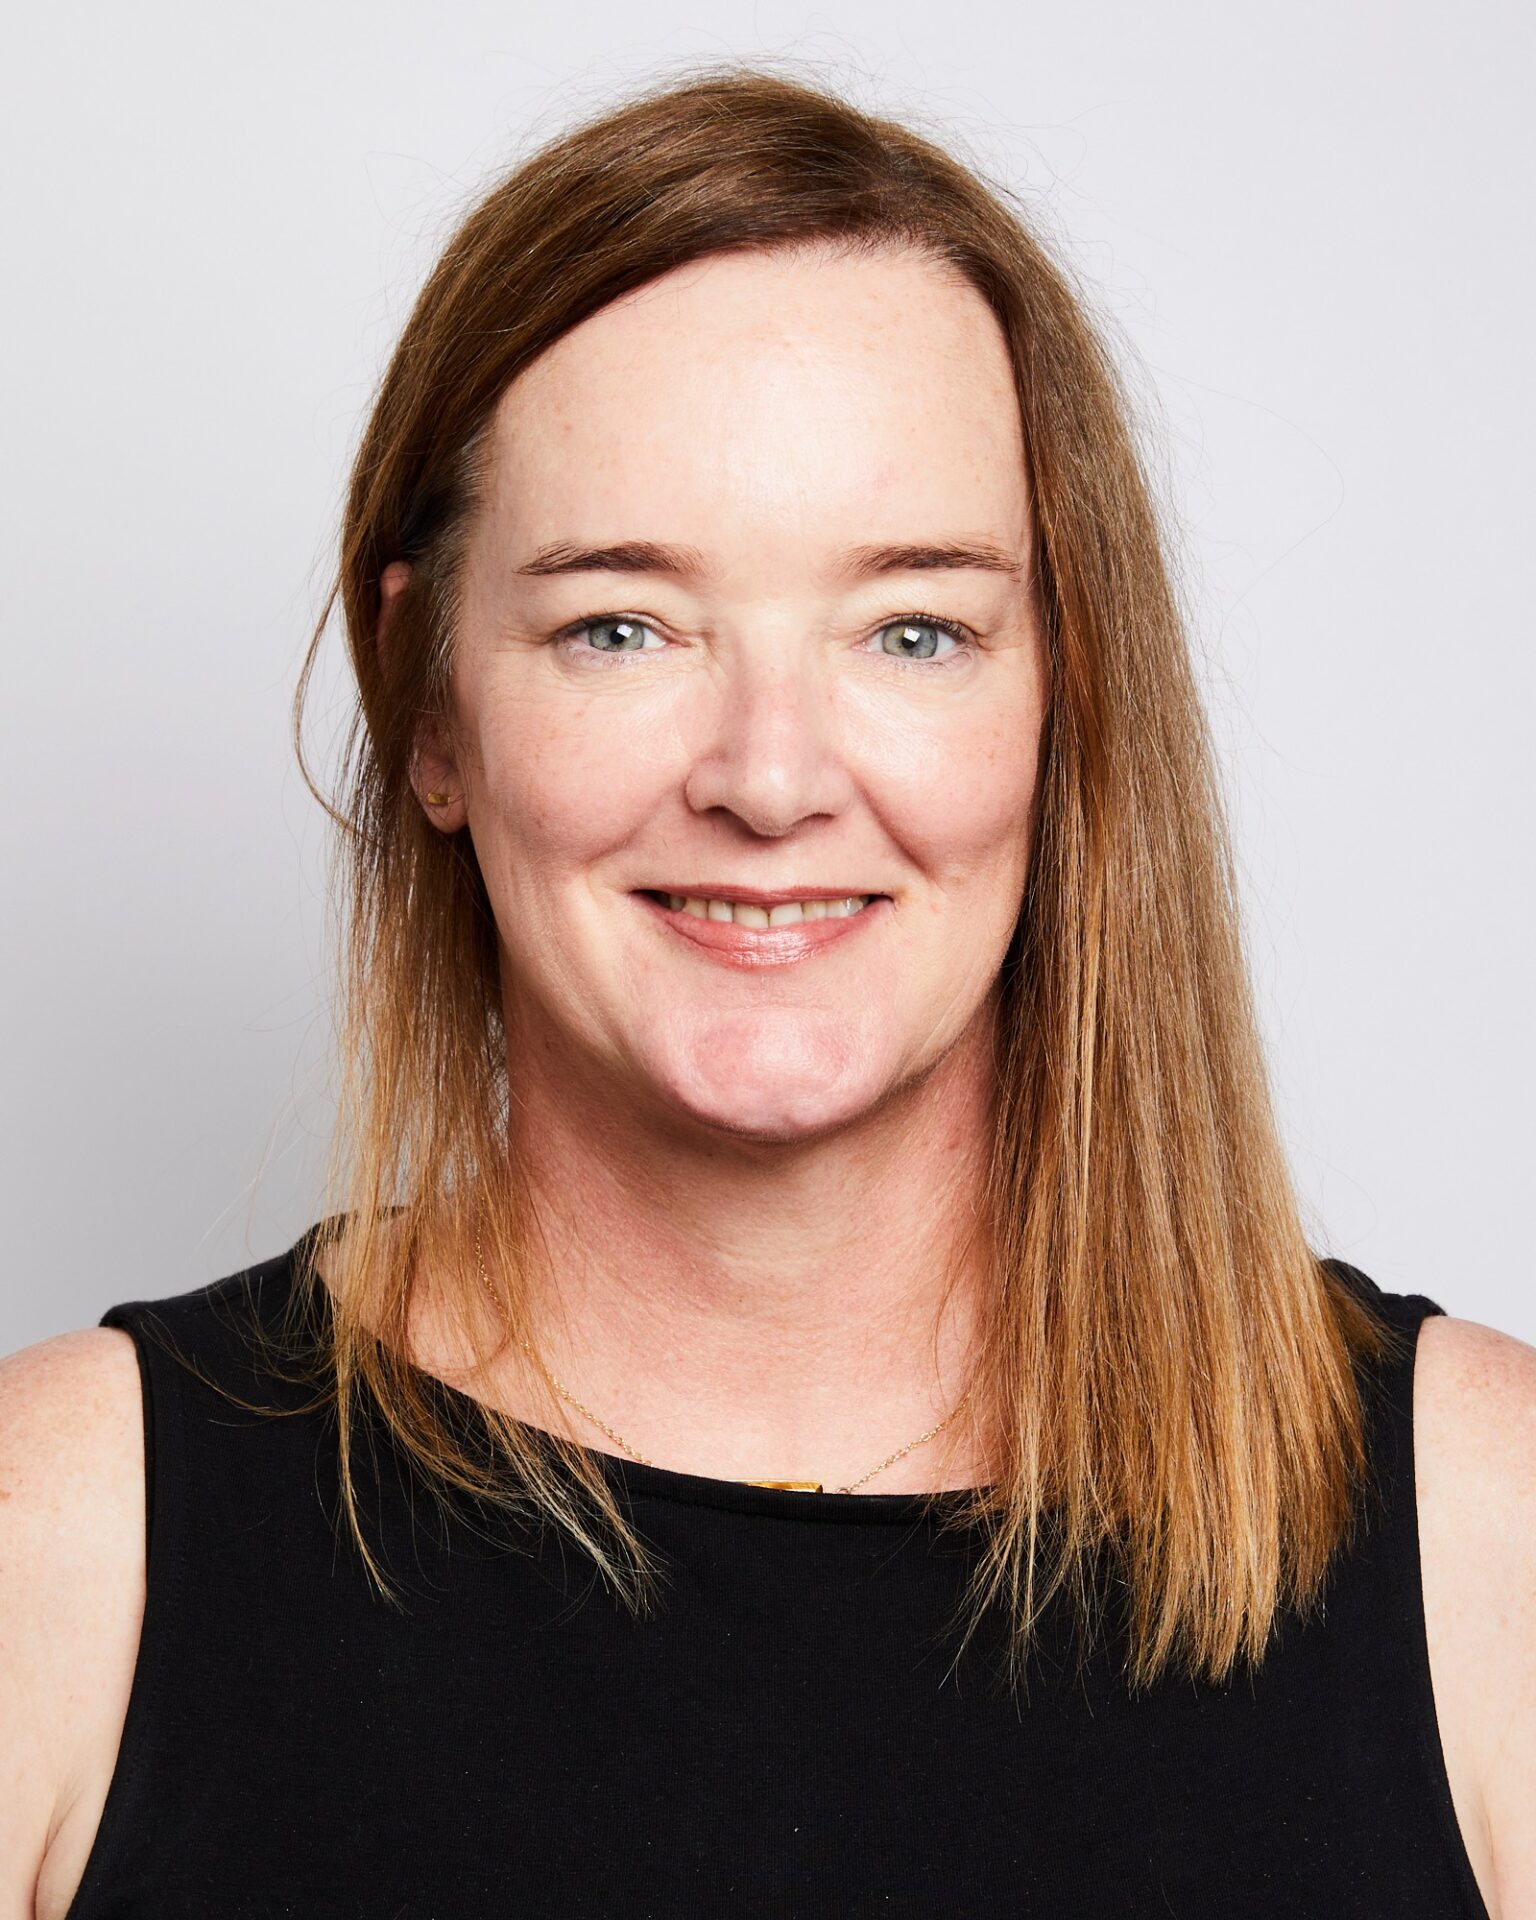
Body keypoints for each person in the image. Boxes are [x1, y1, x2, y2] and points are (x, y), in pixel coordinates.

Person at [3, 62, 1532, 1919]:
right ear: (431, 704)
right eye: (620, 625)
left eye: (913, 628)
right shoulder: (63, 1545)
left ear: (1066, 703)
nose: (775, 775)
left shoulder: (1490, 1538)